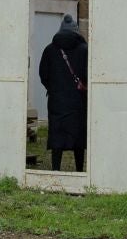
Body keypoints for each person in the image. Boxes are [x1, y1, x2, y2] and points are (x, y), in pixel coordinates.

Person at [37, 14, 89, 172]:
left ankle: (56, 169)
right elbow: (88, 75)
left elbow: (43, 74)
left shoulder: (50, 50)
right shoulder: (84, 50)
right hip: (78, 101)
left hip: (57, 100)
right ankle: (80, 170)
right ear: (76, 31)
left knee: (57, 134)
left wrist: (53, 88)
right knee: (78, 135)